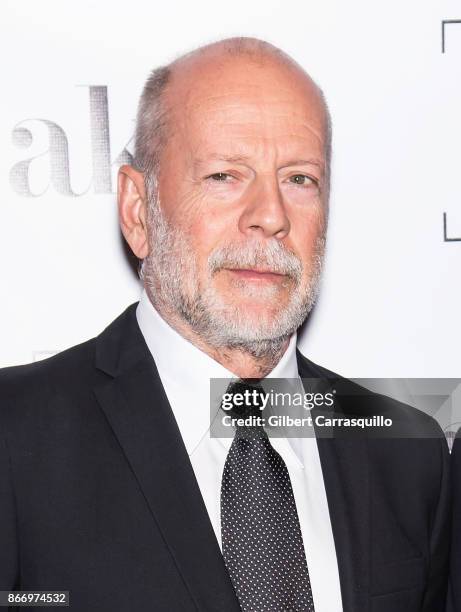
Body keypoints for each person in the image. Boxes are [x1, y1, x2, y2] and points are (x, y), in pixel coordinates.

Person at [0, 37, 450, 612]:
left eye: (299, 179)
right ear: (139, 210)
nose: (270, 216)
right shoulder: (15, 438)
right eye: (223, 175)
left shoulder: (405, 453)